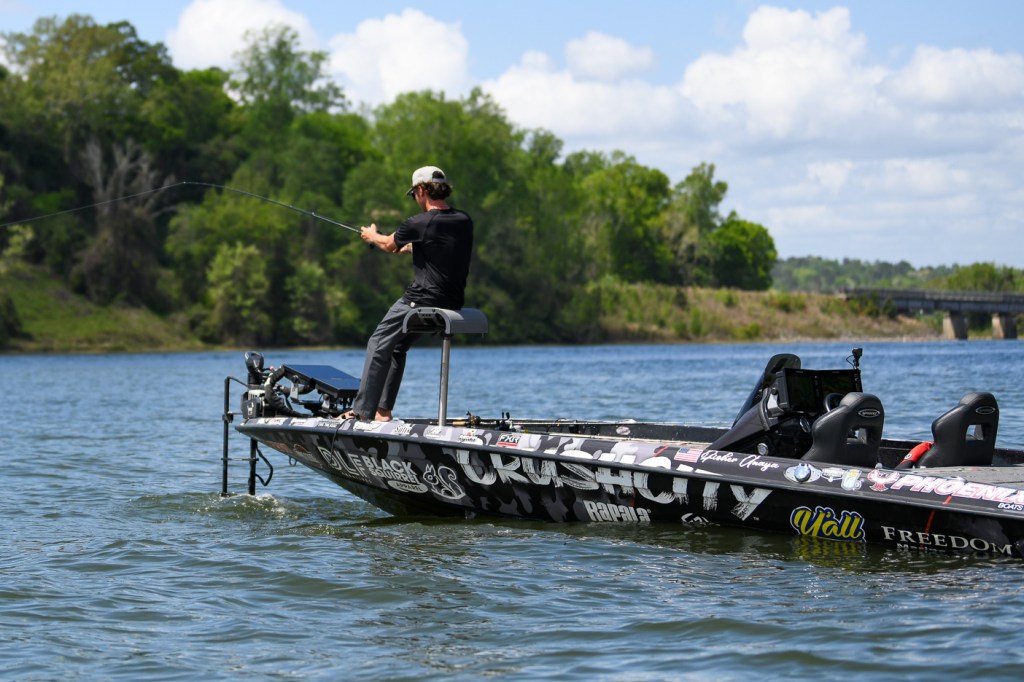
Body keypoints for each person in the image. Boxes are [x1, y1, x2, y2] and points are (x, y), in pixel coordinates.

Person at [344, 166, 474, 421]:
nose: (415, 198)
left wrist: (371, 235)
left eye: (414, 193)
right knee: (397, 347)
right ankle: (382, 411)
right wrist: (415, 248)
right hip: (452, 301)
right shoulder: (463, 220)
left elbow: (388, 244)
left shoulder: (419, 222)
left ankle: (361, 412)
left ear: (422, 190)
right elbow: (442, 247)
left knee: (377, 343)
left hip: (421, 300)